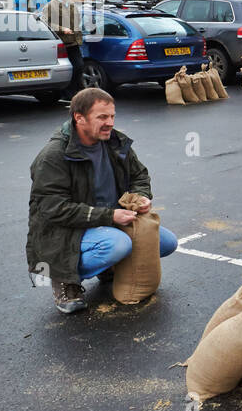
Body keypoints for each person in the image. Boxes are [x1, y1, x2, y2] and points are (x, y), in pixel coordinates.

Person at [26, 87, 178, 315]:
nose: (109, 123)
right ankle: (64, 279)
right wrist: (109, 216)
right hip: (65, 231)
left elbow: (139, 175)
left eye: (112, 116)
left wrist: (141, 196)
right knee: (118, 245)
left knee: (167, 243)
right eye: (102, 117)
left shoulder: (114, 142)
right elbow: (53, 209)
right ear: (79, 118)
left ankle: (108, 268)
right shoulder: (54, 156)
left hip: (107, 221)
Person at [36, 0, 85, 99]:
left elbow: (77, 21)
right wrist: (62, 29)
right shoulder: (50, 6)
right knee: (66, 69)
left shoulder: (72, 5)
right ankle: (67, 93)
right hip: (60, 43)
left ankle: (75, 92)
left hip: (74, 42)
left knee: (79, 66)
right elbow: (45, 22)